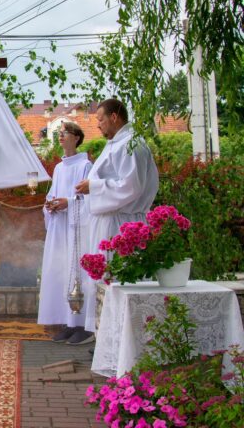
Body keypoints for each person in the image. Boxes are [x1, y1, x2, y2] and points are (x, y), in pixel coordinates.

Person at [75, 99, 159, 333]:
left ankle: (121, 337)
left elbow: (131, 186)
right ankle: (106, 337)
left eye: (100, 120)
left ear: (114, 117)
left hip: (122, 224)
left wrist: (94, 186)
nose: (98, 126)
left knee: (117, 281)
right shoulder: (116, 144)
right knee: (104, 281)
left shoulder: (130, 144)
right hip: (109, 221)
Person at [37, 122, 94, 345]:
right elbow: (52, 194)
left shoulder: (85, 166)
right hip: (60, 227)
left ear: (77, 138)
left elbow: (89, 198)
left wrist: (68, 203)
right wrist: (49, 205)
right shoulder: (60, 168)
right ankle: (67, 322)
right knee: (61, 273)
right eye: (59, 134)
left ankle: (83, 325)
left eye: (65, 133)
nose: (61, 136)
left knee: (77, 273)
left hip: (77, 230)